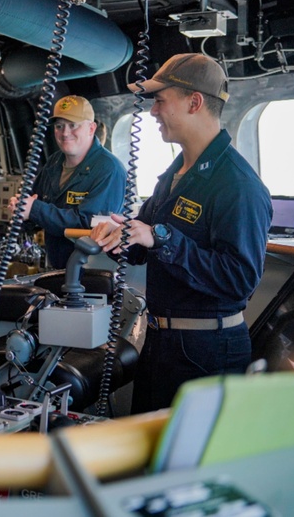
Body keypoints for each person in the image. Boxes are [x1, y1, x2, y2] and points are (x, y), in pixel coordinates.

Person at [91, 53, 271, 413]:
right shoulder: (173, 176)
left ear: (194, 102)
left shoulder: (237, 185)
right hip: (161, 342)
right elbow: (144, 248)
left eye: (160, 100)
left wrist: (163, 238)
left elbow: (239, 280)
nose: (153, 112)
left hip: (207, 350)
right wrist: (119, 237)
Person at [9, 95, 127, 269]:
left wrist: (34, 209)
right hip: (57, 267)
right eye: (59, 126)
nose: (65, 133)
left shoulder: (109, 169)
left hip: (92, 272)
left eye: (73, 125)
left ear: (91, 128)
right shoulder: (54, 163)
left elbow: (90, 223)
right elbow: (35, 205)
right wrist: (22, 210)